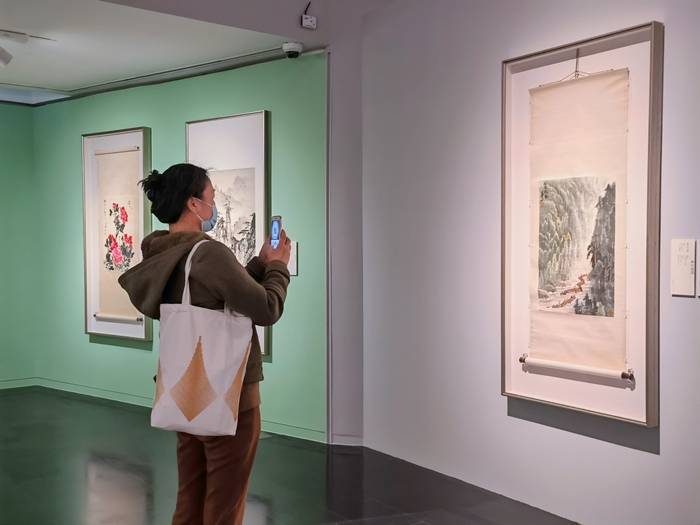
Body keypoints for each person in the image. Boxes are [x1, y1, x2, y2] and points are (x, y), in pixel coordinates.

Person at [118, 163, 291, 524]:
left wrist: (259, 263)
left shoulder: (163, 253)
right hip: (229, 396)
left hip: (185, 394)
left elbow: (217, 294)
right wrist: (278, 267)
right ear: (193, 204)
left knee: (190, 498)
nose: (214, 205)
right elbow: (266, 308)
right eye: (211, 197)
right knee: (224, 506)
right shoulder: (208, 253)